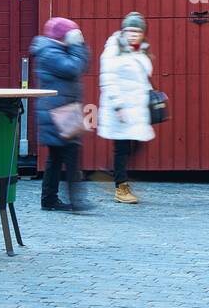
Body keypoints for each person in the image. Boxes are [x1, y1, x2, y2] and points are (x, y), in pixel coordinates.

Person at [31, 17, 92, 212]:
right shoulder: (50, 52)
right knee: (71, 155)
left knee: (56, 157)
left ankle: (49, 199)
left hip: (62, 109)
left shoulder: (54, 50)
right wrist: (78, 45)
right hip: (59, 110)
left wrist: (78, 46)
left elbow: (81, 65)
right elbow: (74, 68)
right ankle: (76, 201)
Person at [98, 12, 154, 204]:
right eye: (129, 30)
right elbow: (108, 78)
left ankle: (112, 174)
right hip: (120, 107)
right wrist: (118, 105)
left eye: (137, 31)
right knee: (122, 148)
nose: (132, 34)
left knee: (136, 143)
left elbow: (141, 77)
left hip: (136, 107)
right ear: (123, 31)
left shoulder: (138, 49)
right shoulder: (114, 49)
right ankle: (120, 187)